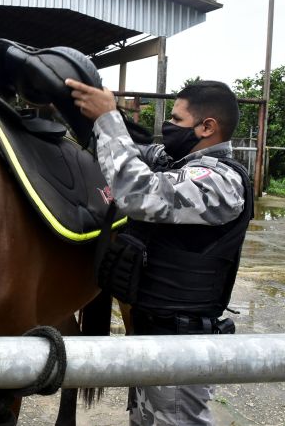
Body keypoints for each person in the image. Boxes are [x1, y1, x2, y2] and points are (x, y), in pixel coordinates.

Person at [65, 78, 253, 426]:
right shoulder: (175, 162)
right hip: (152, 334)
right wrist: (94, 119)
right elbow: (128, 153)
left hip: (183, 347)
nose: (168, 128)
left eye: (178, 120)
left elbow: (137, 193)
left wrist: (108, 119)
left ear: (207, 126)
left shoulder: (220, 182)